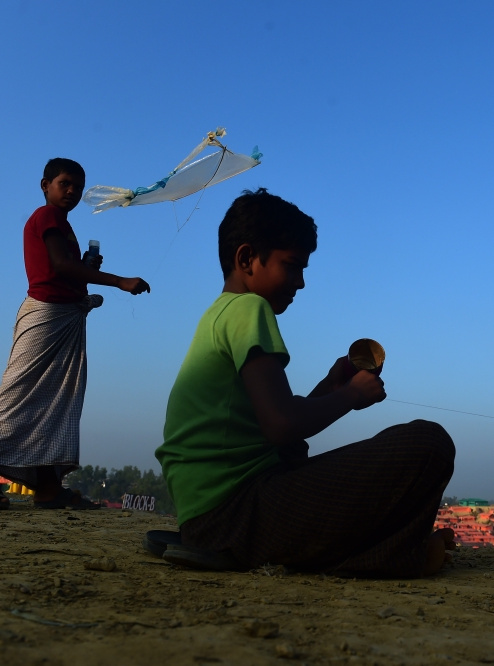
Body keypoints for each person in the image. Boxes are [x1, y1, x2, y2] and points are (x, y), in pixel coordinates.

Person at [156, 188, 456, 577]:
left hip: (214, 517)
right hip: (235, 518)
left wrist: (328, 389)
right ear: (247, 259)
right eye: (292, 265)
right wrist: (350, 395)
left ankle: (395, 548)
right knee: (429, 443)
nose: (299, 283)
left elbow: (270, 425)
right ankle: (402, 555)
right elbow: (281, 425)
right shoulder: (251, 309)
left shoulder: (220, 313)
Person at [0, 158, 151, 510]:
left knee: (56, 399)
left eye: (78, 187)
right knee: (16, 393)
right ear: (45, 185)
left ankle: (50, 488)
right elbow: (59, 267)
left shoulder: (63, 225)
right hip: (46, 314)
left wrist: (86, 269)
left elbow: (69, 271)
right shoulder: (47, 217)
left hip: (64, 316)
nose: (72, 191)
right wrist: (119, 281)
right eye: (65, 183)